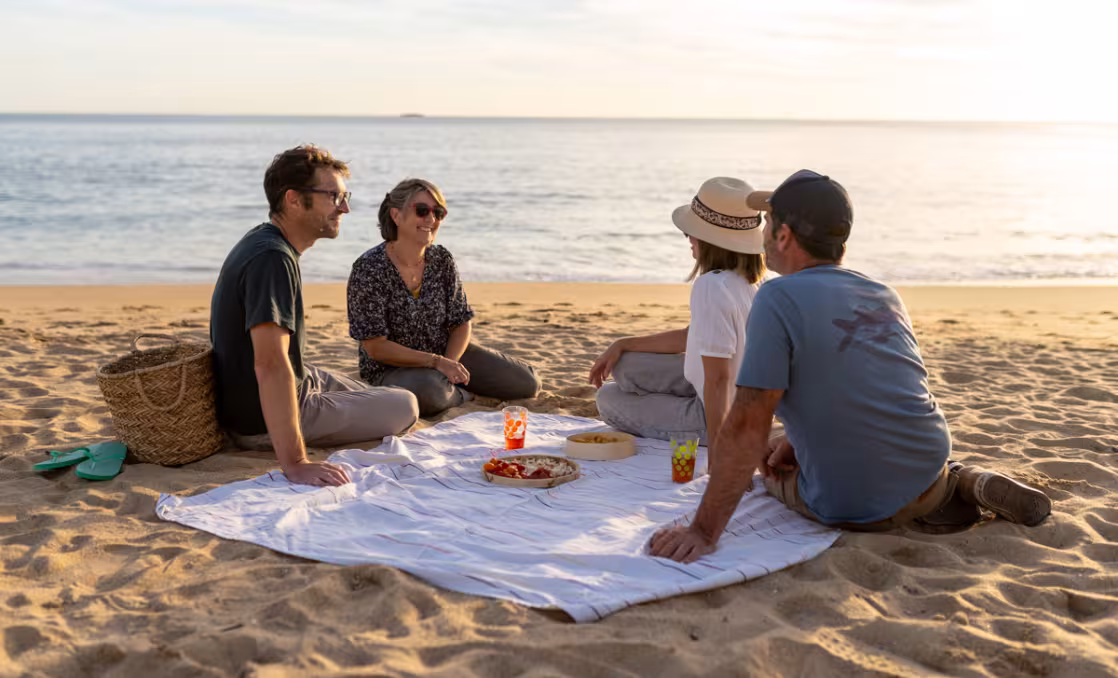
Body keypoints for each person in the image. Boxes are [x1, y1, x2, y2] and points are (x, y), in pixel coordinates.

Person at [649, 169, 1052, 563]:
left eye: (768, 223)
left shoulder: (776, 297)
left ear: (784, 236)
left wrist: (701, 530)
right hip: (927, 467)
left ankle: (943, 489)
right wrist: (795, 439)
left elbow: (747, 426)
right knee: (797, 446)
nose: (762, 233)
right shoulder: (884, 293)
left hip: (853, 503)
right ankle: (962, 483)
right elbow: (868, 383)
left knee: (768, 474)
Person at [210, 146, 419, 488]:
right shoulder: (272, 260)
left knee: (378, 393)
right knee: (405, 405)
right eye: (334, 196)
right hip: (259, 417)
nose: (345, 207)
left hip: (292, 383)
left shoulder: (264, 241)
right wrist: (296, 463)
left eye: (344, 196)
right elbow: (270, 364)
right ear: (293, 200)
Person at [590, 177, 766, 451]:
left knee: (608, 399)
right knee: (624, 364)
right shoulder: (753, 282)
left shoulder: (711, 286)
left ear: (710, 239)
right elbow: (693, 337)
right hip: (742, 404)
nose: (688, 238)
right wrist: (622, 343)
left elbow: (718, 379)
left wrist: (722, 453)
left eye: (690, 231)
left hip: (713, 418)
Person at [347, 178, 541, 417]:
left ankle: (449, 387)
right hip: (391, 367)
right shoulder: (369, 268)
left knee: (527, 384)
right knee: (430, 392)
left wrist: (449, 362)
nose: (431, 219)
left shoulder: (442, 259)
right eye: (422, 211)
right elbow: (376, 347)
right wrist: (437, 363)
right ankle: (462, 394)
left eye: (438, 212)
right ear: (396, 216)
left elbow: (461, 321)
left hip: (446, 354)